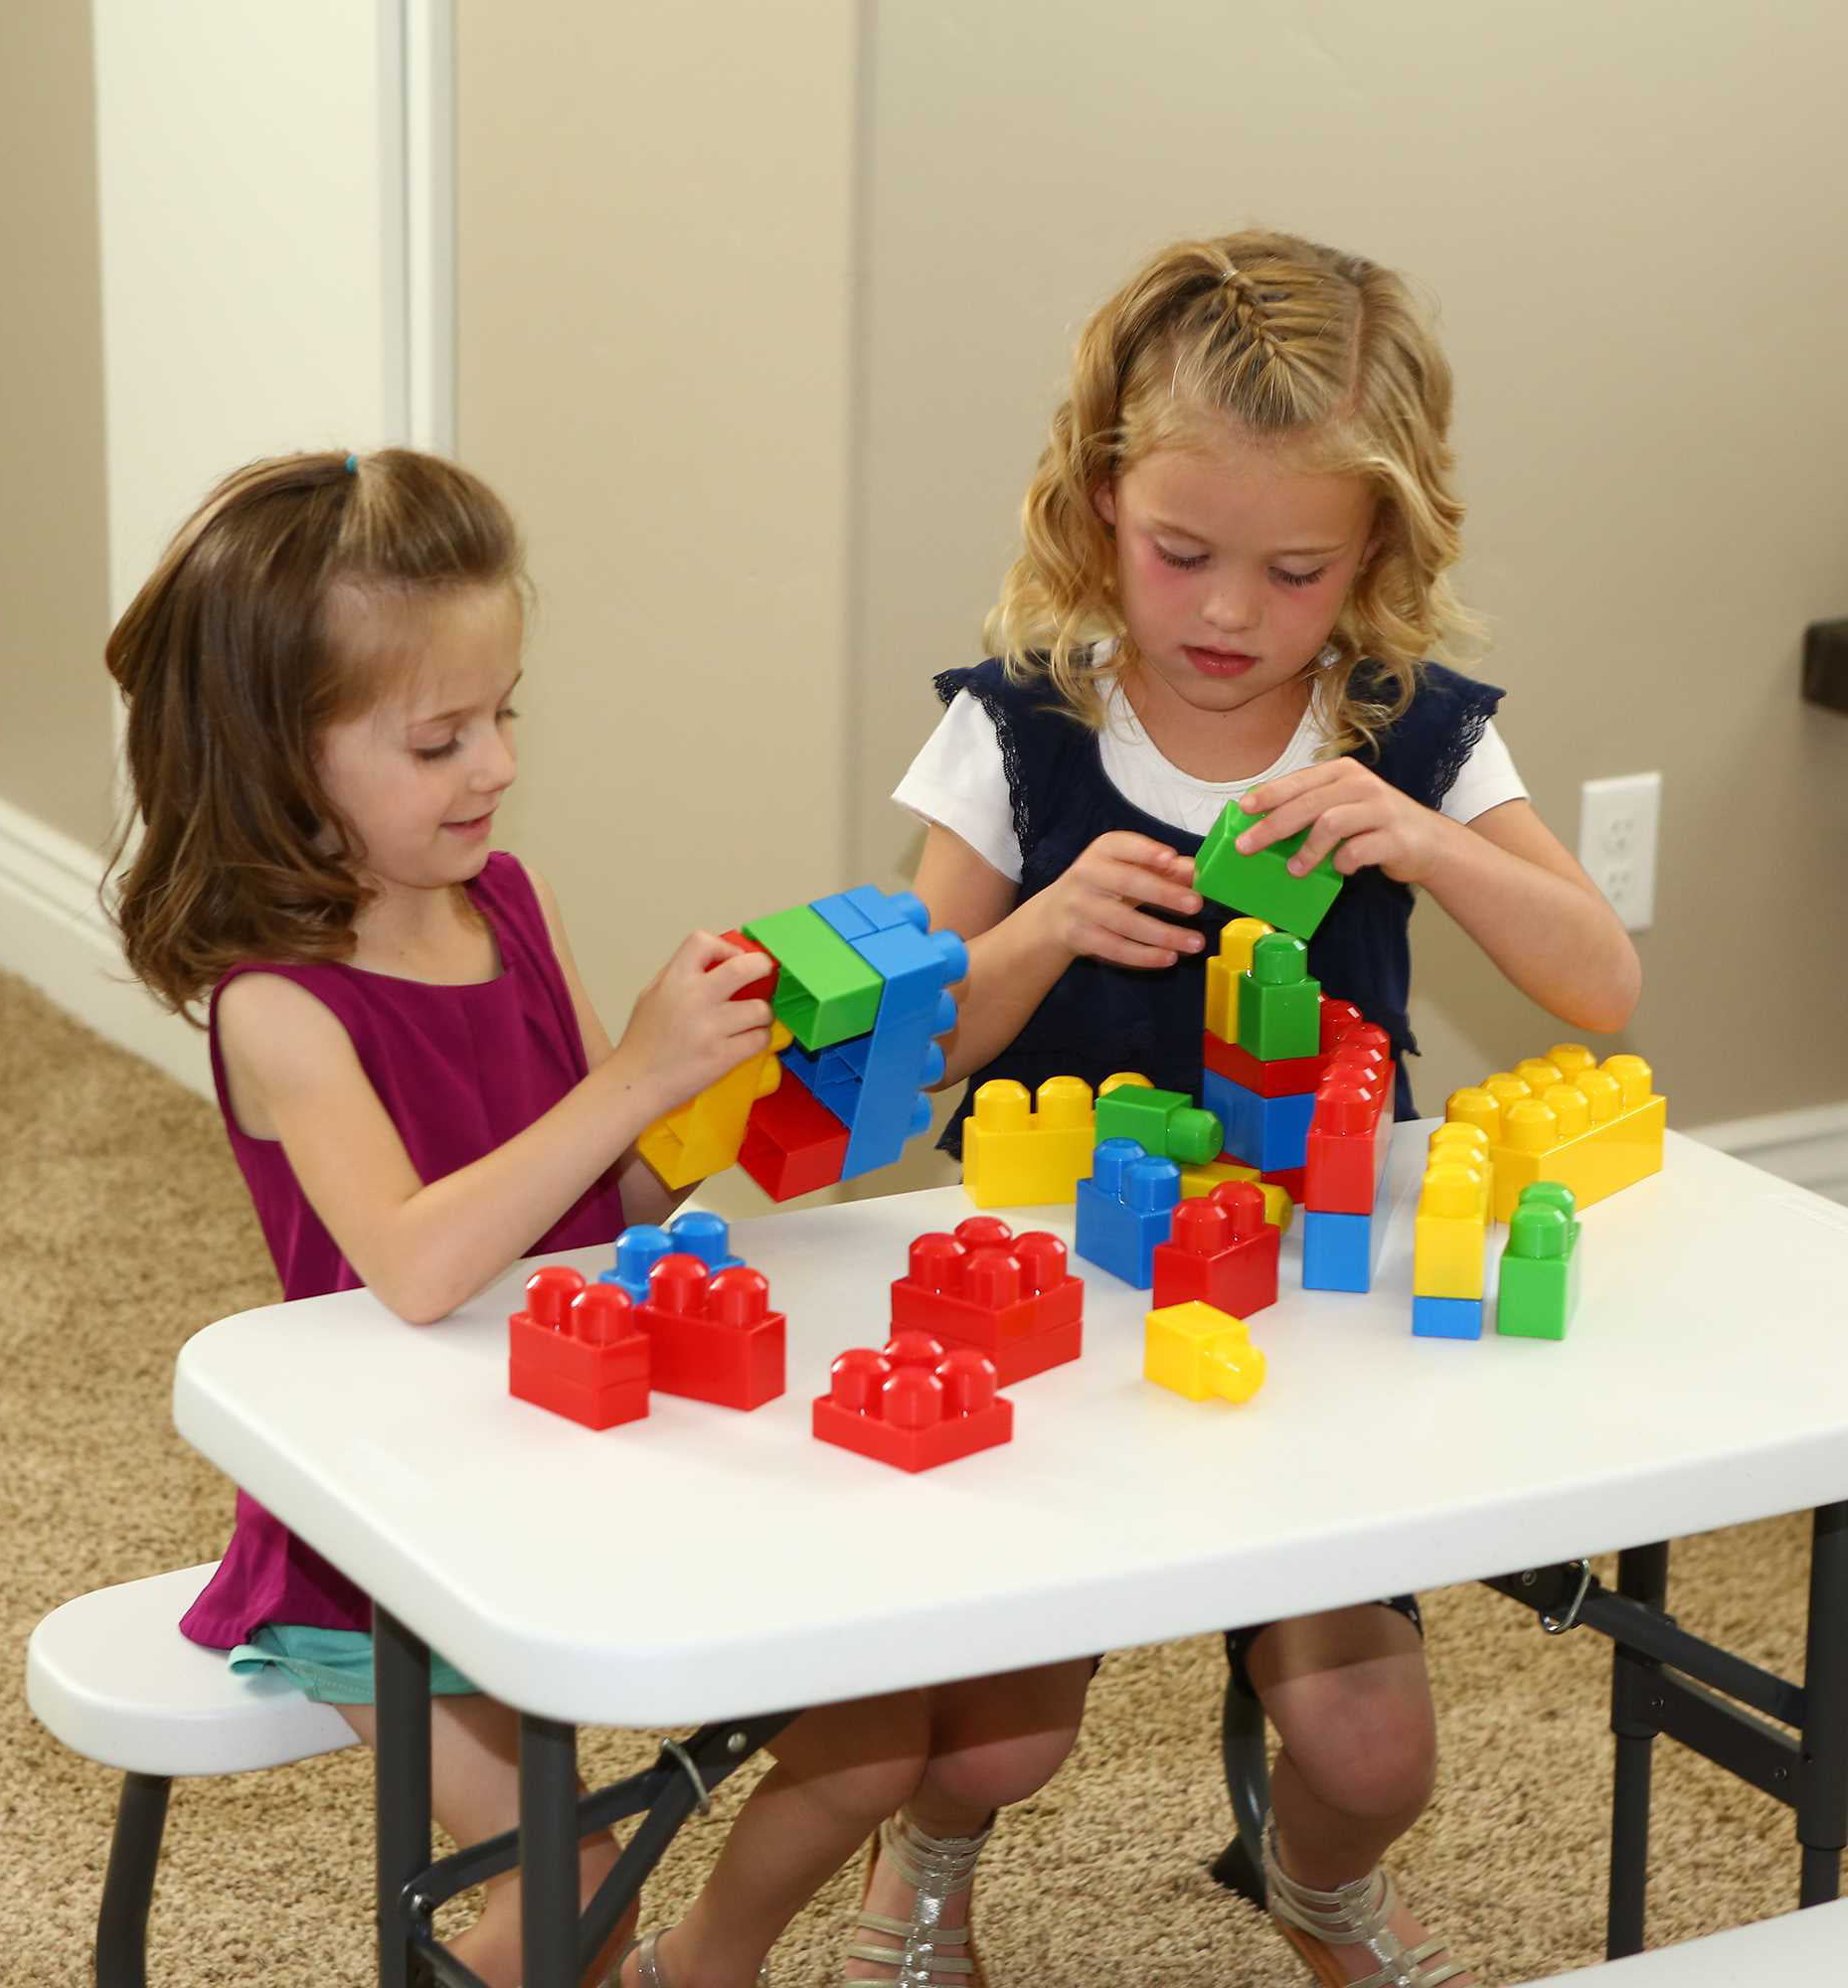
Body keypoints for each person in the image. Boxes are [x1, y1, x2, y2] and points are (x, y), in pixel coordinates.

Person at [105, 447, 1087, 1988]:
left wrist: (724, 1112)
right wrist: (631, 1074)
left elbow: (584, 1206)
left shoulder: (508, 900)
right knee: (573, 1871)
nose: (492, 766)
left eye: (504, 716)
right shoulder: (278, 1009)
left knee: (883, 1721)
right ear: (278, 758)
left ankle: (716, 1958)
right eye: (440, 740)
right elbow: (423, 1265)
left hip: (577, 1422)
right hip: (380, 1528)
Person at [895, 232, 1641, 1988]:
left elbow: (1599, 983)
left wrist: (1428, 838)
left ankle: (1312, 1885)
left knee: (1377, 1758)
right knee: (995, 1737)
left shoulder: (1415, 733)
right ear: (1095, 507)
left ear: (1377, 554)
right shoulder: (1014, 734)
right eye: (1181, 553)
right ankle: (921, 1871)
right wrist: (1039, 927)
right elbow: (912, 1053)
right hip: (1061, 1304)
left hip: (1315, 1305)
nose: (1228, 613)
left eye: (1295, 570)